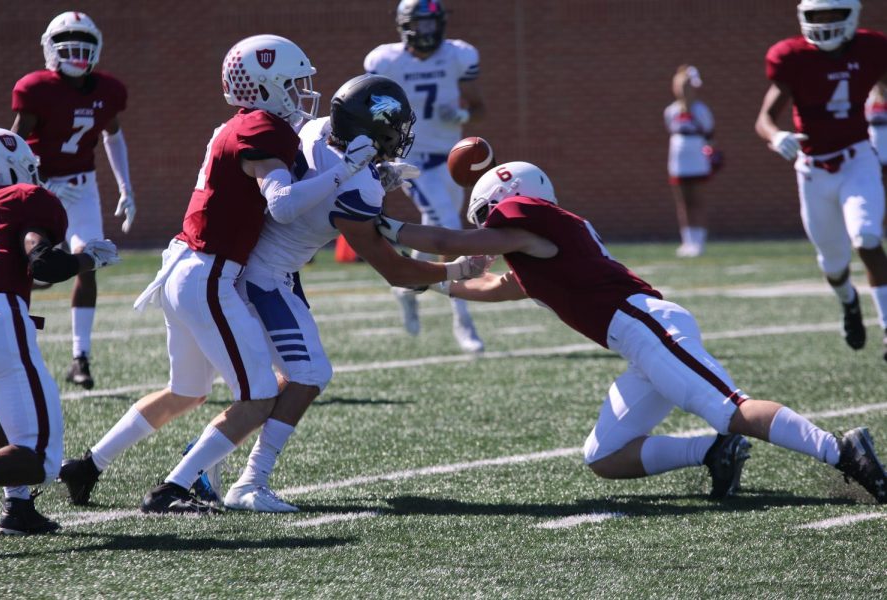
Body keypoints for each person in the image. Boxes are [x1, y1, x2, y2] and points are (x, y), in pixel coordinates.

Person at [377, 160, 887, 503]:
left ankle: (842, 451)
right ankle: (712, 453)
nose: (488, 229)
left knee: (733, 409)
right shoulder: (543, 254)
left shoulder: (539, 223)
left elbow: (450, 237)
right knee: (604, 456)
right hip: (638, 341)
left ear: (513, 200)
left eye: (489, 216)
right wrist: (432, 281)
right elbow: (492, 287)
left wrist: (381, 226)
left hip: (645, 324)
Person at [57, 35, 379, 514]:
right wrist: (346, 169)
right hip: (208, 274)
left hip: (185, 268)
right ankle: (171, 490)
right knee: (260, 395)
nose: (300, 92)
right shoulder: (263, 129)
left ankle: (87, 465)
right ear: (267, 85)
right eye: (291, 83)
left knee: (186, 391)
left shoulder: (240, 125)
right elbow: (284, 206)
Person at [217, 74, 487, 512]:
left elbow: (328, 169)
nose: (401, 136)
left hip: (260, 266)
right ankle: (249, 481)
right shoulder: (357, 189)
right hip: (265, 278)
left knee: (282, 379)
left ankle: (205, 465)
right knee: (309, 375)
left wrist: (376, 172)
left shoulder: (313, 128)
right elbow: (396, 270)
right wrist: (454, 272)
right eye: (395, 128)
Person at [0, 128, 119, 534]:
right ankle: (21, 499)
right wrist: (86, 260)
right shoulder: (25, 198)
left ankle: (18, 506)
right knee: (41, 459)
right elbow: (42, 263)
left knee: (11, 411)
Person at [755, 0, 887, 359]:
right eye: (817, 16)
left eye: (832, 15)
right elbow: (765, 118)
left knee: (868, 236)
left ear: (851, 15)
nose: (824, 24)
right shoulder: (792, 56)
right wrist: (775, 136)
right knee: (832, 263)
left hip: (857, 158)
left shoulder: (873, 48)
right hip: (813, 168)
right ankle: (849, 302)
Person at [11, 11, 135, 390]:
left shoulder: (107, 90)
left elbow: (113, 136)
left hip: (82, 187)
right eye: (69, 42)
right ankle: (16, 345)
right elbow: (14, 143)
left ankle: (80, 357)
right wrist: (18, 186)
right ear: (50, 47)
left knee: (89, 261)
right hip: (40, 185)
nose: (78, 50)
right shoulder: (36, 88)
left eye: (85, 42)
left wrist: (125, 186)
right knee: (30, 268)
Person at [364, 0, 487, 353]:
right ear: (404, 25)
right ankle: (463, 319)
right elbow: (372, 109)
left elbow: (479, 110)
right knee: (449, 226)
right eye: (421, 23)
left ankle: (405, 288)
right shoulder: (385, 61)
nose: (428, 31)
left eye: (433, 24)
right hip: (411, 158)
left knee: (437, 226)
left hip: (450, 158)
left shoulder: (458, 55)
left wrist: (460, 113)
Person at [665, 65, 716, 258]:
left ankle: (699, 241)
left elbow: (710, 134)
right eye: (680, 86)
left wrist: (710, 156)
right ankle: (687, 241)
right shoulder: (671, 111)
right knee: (683, 202)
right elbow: (670, 130)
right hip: (678, 159)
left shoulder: (701, 110)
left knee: (697, 200)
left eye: (687, 86)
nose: (683, 91)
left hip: (697, 158)